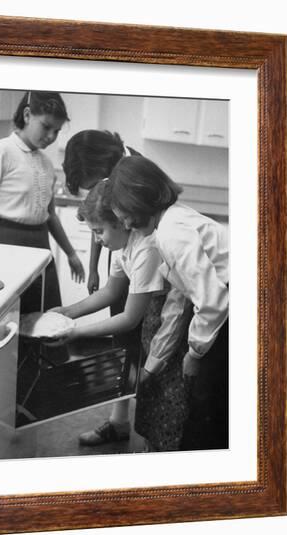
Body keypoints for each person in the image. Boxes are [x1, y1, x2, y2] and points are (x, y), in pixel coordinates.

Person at [50, 180, 190, 452]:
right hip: (154, 323)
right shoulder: (122, 245)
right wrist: (67, 313)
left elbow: (129, 318)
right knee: (151, 393)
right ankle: (152, 448)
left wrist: (74, 332)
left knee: (167, 393)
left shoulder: (147, 247)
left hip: (173, 325)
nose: (97, 240)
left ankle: (164, 458)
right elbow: (112, 292)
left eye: (99, 231)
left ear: (122, 222)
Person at [109, 155, 229, 451]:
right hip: (230, 302)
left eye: (124, 214)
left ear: (140, 198)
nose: (125, 223)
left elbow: (212, 301)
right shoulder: (173, 219)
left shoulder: (171, 232)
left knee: (207, 405)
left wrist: (196, 353)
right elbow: (181, 297)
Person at [62, 130, 142, 445]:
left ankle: (135, 424)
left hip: (142, 261)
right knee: (124, 340)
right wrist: (95, 266)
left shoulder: (133, 171)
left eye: (92, 180)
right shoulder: (107, 177)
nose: (93, 186)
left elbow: (113, 227)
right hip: (122, 256)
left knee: (138, 340)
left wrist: (77, 330)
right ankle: (119, 421)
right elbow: (100, 222)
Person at [0, 90, 85, 313]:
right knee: (9, 317)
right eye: (46, 127)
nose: (51, 136)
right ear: (27, 115)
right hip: (4, 244)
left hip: (41, 245)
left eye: (57, 131)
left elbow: (49, 215)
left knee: (44, 315)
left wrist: (71, 254)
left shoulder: (46, 163)